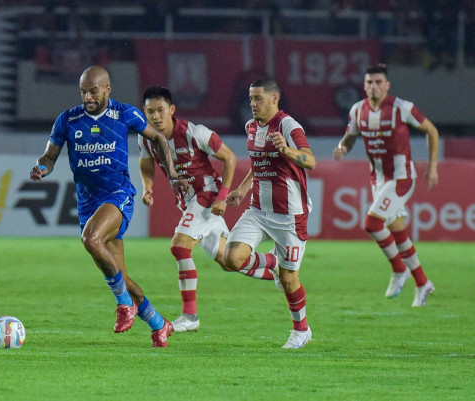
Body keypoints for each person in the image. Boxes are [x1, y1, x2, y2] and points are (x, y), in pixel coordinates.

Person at [29, 66, 188, 347]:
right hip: (88, 203)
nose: (87, 97)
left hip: (118, 195)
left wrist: (172, 176)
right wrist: (42, 168)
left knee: (90, 238)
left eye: (93, 91)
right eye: (83, 92)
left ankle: (124, 306)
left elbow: (160, 138)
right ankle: (159, 323)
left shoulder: (124, 113)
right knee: (122, 276)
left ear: (107, 89)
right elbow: (50, 156)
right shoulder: (67, 120)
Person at [139, 86, 282, 333]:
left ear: (171, 110)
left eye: (160, 110)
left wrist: (222, 197)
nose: (155, 117)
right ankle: (276, 263)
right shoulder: (147, 138)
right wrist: (147, 188)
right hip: (189, 202)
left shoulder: (195, 133)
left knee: (179, 246)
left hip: (207, 195)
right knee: (228, 261)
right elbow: (145, 162)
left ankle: (190, 317)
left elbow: (229, 158)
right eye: (150, 112)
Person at [333, 63, 438, 307]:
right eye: (369, 82)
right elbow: (349, 138)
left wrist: (432, 166)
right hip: (378, 180)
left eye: (379, 82)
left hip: (401, 178)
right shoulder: (358, 110)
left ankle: (398, 268)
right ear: (364, 85)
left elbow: (431, 130)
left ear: (387, 85)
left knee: (372, 222)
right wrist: (342, 148)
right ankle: (423, 283)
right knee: (398, 232)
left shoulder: (402, 108)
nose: (374, 86)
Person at [223, 77, 316, 349]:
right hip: (258, 210)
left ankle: (301, 330)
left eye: (258, 98)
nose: (252, 103)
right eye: (251, 98)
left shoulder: (288, 125)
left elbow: (310, 160)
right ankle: (273, 264)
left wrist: (286, 149)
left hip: (290, 215)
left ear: (274, 99)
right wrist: (242, 189)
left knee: (290, 280)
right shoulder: (251, 127)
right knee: (231, 257)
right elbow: (257, 163)